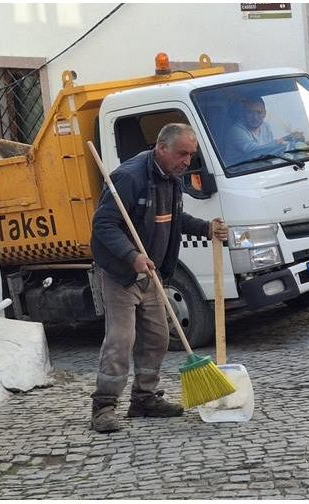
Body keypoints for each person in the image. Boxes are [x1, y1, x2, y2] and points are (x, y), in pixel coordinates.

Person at [89, 123, 229, 433]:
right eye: (182, 154)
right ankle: (103, 407)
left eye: (191, 155)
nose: (186, 162)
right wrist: (132, 256)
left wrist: (206, 228)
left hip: (152, 273)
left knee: (157, 337)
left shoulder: (172, 179)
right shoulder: (129, 178)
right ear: (161, 148)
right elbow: (104, 226)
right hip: (121, 272)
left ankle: (144, 399)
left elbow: (174, 220)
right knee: (121, 340)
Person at [223, 98, 302, 165]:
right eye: (250, 112)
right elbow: (255, 151)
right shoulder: (236, 131)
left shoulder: (265, 126)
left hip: (260, 166)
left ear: (264, 113)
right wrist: (283, 140)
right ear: (244, 114)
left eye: (259, 112)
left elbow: (270, 152)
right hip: (239, 172)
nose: (255, 117)